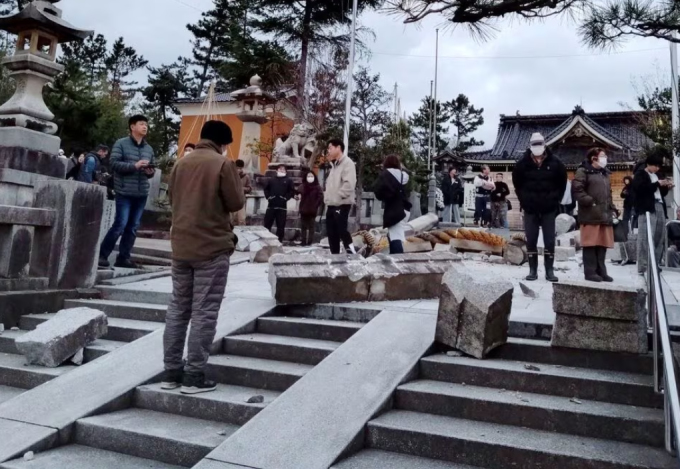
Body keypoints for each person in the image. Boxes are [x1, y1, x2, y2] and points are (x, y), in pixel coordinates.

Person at [161, 120, 244, 394]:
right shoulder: (222, 164)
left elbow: (172, 200)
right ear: (223, 143)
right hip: (211, 247)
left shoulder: (180, 163)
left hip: (181, 247)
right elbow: (235, 203)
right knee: (204, 311)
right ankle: (194, 375)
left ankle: (171, 372)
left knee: (178, 309)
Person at [98, 115, 156, 269]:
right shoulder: (121, 143)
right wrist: (135, 166)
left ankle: (123, 258)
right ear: (132, 127)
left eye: (146, 124)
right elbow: (114, 164)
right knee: (120, 224)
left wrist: (149, 171)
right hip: (124, 191)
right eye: (142, 124)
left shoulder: (148, 148)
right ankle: (102, 256)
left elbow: (152, 171)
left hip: (141, 192)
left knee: (133, 227)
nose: (145, 127)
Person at [512, 132, 567, 282]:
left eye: (539, 144)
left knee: (549, 240)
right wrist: (524, 201)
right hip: (530, 208)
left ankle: (549, 270)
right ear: (530, 146)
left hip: (549, 208)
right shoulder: (522, 164)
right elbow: (517, 184)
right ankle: (532, 270)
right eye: (534, 144)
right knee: (531, 240)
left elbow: (562, 183)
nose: (537, 147)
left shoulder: (555, 163)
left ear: (544, 145)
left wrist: (556, 200)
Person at [572, 148, 618, 282]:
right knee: (590, 244)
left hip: (604, 213)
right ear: (593, 158)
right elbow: (577, 190)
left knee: (602, 244)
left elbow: (608, 193)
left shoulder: (604, 173)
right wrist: (590, 201)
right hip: (590, 214)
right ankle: (590, 272)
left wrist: (612, 208)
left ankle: (601, 271)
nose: (605, 159)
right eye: (602, 156)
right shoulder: (583, 171)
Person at [633, 153, 672, 275]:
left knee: (659, 236)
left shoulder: (657, 175)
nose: (657, 168)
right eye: (655, 166)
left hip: (660, 205)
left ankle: (655, 264)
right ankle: (643, 266)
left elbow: (661, 193)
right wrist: (657, 184)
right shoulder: (640, 174)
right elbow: (640, 189)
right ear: (649, 164)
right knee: (645, 236)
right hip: (647, 208)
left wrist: (666, 186)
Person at [374, 154, 412, 254]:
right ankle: (394, 257)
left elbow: (377, 190)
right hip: (404, 209)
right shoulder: (404, 176)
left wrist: (386, 196)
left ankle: (398, 261)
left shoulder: (385, 175)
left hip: (394, 211)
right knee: (392, 235)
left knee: (396, 237)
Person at [324, 139, 357, 254]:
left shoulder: (348, 163)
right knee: (331, 233)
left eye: (330, 148)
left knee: (342, 230)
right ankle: (335, 257)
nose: (328, 150)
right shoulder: (334, 165)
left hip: (342, 204)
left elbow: (349, 184)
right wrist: (328, 199)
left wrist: (338, 197)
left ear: (338, 148)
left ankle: (352, 253)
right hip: (331, 204)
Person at [264, 164, 295, 242]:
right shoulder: (271, 180)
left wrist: (285, 198)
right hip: (271, 205)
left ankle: (279, 240)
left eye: (283, 169)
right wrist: (268, 197)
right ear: (276, 170)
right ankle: (266, 239)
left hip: (282, 206)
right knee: (267, 224)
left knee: (281, 225)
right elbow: (266, 189)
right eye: (280, 169)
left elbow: (291, 191)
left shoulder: (289, 180)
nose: (282, 171)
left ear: (286, 171)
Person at [298, 171, 323, 246]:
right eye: (308, 176)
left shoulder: (317, 187)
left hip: (313, 209)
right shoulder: (302, 186)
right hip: (303, 208)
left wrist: (316, 205)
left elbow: (320, 197)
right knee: (303, 226)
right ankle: (303, 241)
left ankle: (310, 241)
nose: (310, 178)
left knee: (311, 226)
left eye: (311, 176)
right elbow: (297, 193)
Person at [232, 159, 252, 226]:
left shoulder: (246, 177)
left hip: (241, 201)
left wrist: (242, 189)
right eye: (237, 168)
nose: (239, 170)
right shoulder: (230, 176)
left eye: (240, 168)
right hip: (231, 200)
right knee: (232, 220)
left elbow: (249, 188)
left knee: (242, 220)